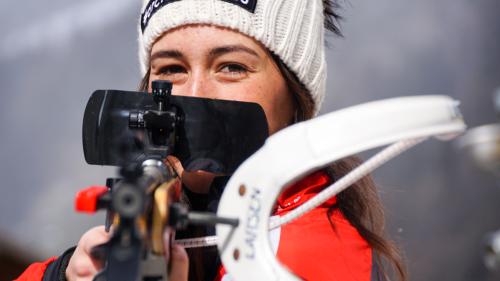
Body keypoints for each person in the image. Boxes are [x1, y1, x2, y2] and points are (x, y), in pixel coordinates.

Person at [17, 0, 407, 280]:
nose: (196, 93)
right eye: (171, 69)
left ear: (295, 98)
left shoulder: (302, 260)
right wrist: (65, 273)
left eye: (232, 67)